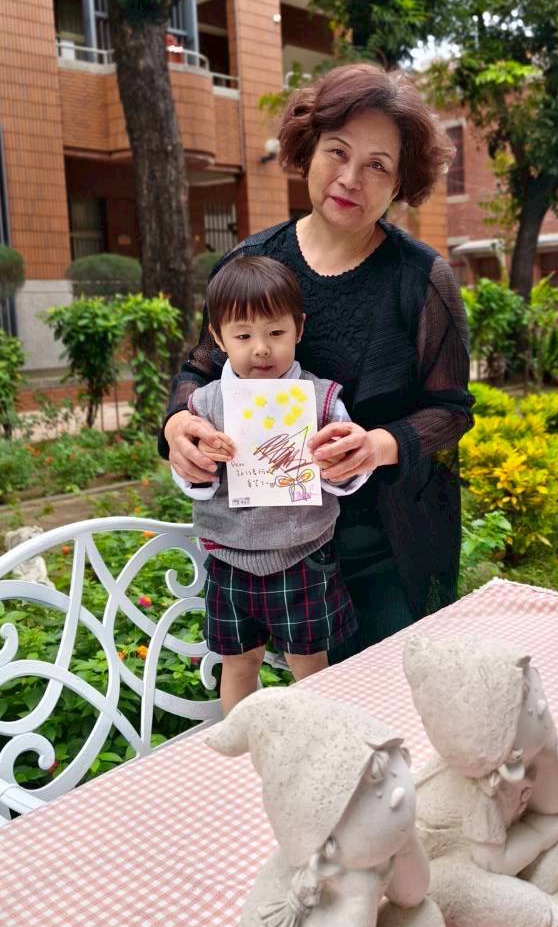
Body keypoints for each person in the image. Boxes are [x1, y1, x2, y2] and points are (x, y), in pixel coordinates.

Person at [160, 63, 473, 661]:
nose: (351, 178)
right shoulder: (252, 262)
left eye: (378, 165)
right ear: (309, 149)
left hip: (384, 545)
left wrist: (377, 445)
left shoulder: (422, 279)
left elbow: (452, 409)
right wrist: (179, 426)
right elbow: (199, 369)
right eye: (338, 151)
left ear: (400, 182)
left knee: (392, 696)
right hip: (269, 554)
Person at [174, 256, 367, 712]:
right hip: (229, 558)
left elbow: (350, 469)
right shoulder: (204, 405)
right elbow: (190, 478)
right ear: (218, 337)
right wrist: (201, 467)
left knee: (310, 663)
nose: (261, 349)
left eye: (275, 332)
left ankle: (317, 739)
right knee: (239, 664)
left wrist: (338, 466)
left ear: (299, 328)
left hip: (303, 553)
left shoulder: (321, 399)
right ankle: (241, 745)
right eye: (243, 336)